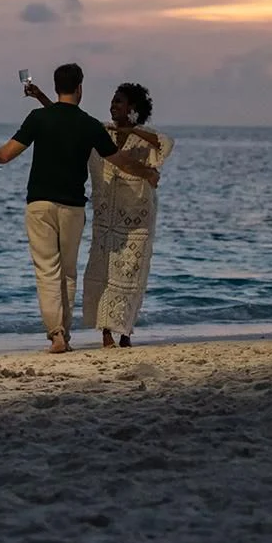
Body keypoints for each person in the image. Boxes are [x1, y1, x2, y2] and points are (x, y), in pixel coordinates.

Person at [0, 63, 159, 354]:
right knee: (67, 272)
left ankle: (57, 335)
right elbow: (121, 161)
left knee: (46, 271)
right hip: (73, 209)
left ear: (56, 88)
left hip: (40, 204)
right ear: (80, 88)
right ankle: (63, 332)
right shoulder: (89, 124)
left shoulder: (39, 118)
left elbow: (4, 155)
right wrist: (148, 173)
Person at [82, 83, 173, 348]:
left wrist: (130, 130)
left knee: (131, 276)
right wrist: (40, 96)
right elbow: (71, 120)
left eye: (118, 101)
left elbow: (167, 144)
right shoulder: (102, 133)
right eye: (112, 101)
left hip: (137, 222)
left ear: (132, 108)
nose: (112, 105)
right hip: (105, 220)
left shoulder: (146, 137)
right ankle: (106, 334)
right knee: (102, 274)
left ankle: (125, 333)